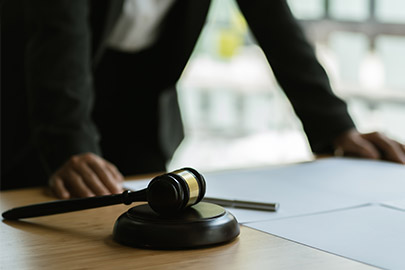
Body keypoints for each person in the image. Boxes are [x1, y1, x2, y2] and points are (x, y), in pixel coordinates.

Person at [1, 0, 404, 199]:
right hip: (42, 102)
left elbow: (275, 23)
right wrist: (67, 143)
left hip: (140, 108)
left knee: (146, 231)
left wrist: (336, 128)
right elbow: (60, 33)